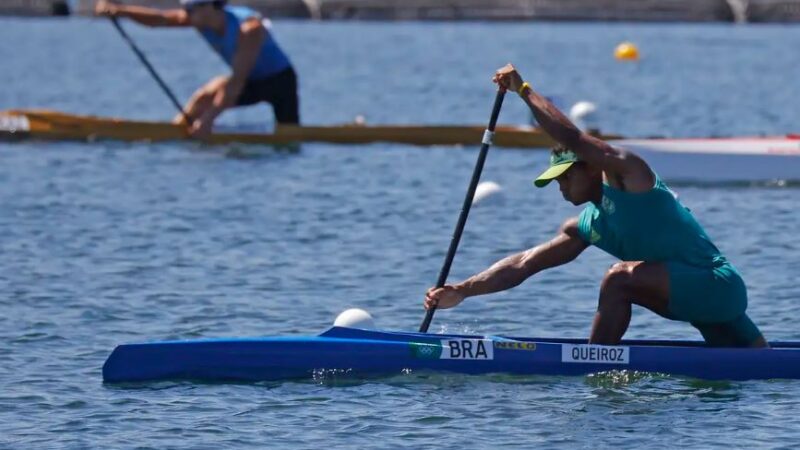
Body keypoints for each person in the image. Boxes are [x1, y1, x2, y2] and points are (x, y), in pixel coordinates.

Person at [424, 63, 768, 348]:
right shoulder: (589, 224)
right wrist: (462, 291)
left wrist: (523, 90)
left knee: (618, 278)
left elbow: (573, 139)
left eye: (564, 177)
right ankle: (598, 359)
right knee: (760, 363)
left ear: (590, 166)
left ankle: (594, 362)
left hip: (716, 285)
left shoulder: (629, 177)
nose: (560, 187)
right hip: (704, 304)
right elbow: (524, 264)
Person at [95, 0, 299, 138]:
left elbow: (236, 83)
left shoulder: (249, 29)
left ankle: (197, 128)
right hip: (250, 80)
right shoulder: (201, 20)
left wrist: (208, 120)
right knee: (204, 96)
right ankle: (173, 132)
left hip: (279, 82)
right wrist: (120, 11)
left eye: (190, 9)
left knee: (290, 135)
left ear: (210, 6)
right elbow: (160, 19)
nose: (185, 15)